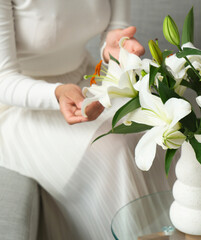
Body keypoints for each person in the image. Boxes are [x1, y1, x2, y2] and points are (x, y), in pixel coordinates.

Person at [0, 0, 175, 239]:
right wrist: (57, 94)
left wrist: (114, 48)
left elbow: (116, 32)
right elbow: (3, 78)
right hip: (16, 107)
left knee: (165, 126)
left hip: (86, 80)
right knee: (114, 147)